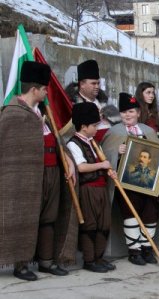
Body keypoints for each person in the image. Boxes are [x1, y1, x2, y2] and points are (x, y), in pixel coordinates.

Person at [0, 61, 78, 281]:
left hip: (52, 174)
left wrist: (69, 161)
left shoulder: (46, 114)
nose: (46, 93)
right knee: (26, 216)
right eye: (44, 89)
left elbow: (59, 142)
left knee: (49, 219)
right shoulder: (12, 114)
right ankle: (21, 264)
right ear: (34, 89)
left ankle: (46, 261)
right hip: (27, 178)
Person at [101, 92, 159, 266]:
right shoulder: (114, 132)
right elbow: (104, 154)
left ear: (138, 112)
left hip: (149, 183)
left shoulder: (149, 131)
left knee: (150, 215)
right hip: (127, 183)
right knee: (131, 216)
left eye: (131, 111)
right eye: (124, 112)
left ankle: (146, 248)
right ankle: (134, 251)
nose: (127, 115)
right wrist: (116, 152)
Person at [66, 102, 117, 273]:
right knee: (90, 225)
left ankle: (99, 257)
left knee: (104, 224)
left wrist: (109, 171)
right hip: (88, 189)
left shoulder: (93, 142)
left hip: (101, 187)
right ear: (83, 126)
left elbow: (102, 163)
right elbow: (81, 167)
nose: (97, 128)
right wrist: (102, 165)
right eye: (94, 125)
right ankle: (89, 260)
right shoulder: (73, 143)